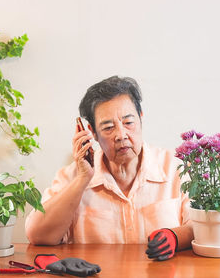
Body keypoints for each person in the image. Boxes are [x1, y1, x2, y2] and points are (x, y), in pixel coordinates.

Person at [25, 76, 193, 261]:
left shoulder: (176, 167)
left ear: (141, 118)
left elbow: (201, 227)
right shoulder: (72, 176)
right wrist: (83, 179)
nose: (121, 135)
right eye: (108, 127)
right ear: (93, 133)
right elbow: (38, 236)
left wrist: (175, 237)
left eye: (128, 123)